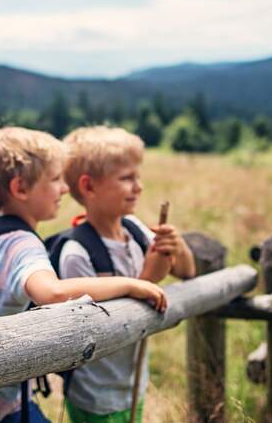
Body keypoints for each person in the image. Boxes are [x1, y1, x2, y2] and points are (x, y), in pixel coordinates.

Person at [0, 127, 167, 423]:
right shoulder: (22, 244)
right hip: (2, 404)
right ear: (21, 188)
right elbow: (52, 293)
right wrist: (131, 284)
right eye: (55, 179)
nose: (65, 188)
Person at [57, 126, 196, 423]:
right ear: (89, 187)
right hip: (96, 395)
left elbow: (188, 271)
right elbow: (97, 329)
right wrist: (149, 279)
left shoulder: (135, 229)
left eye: (138, 176)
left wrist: (177, 247)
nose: (139, 186)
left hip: (132, 384)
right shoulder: (77, 253)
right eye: (126, 178)